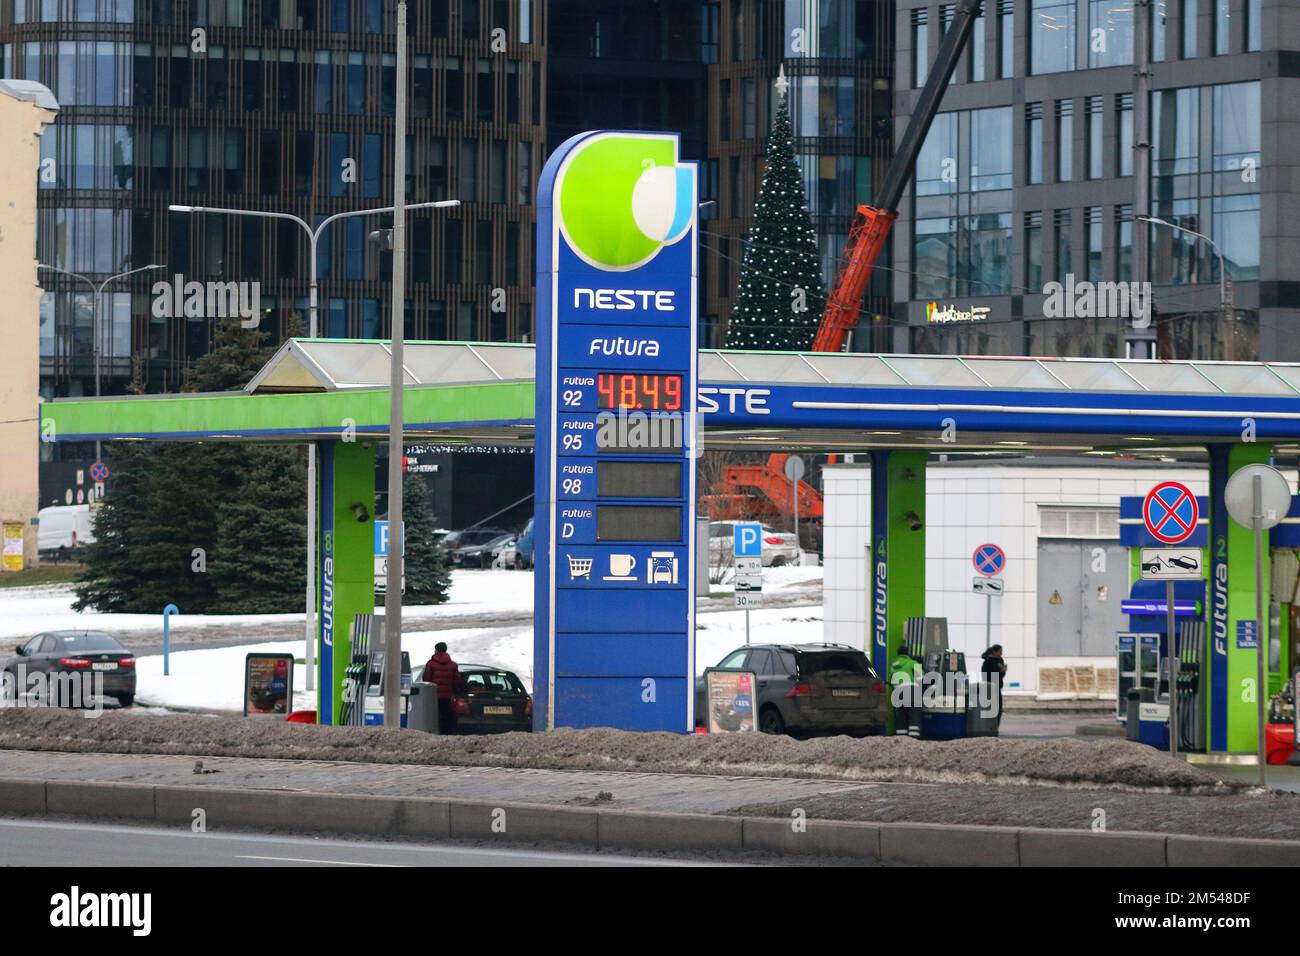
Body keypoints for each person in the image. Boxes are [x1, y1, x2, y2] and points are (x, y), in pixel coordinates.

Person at [421, 642, 460, 733]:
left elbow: (426, 679)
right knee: (446, 715)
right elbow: (456, 681)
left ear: (436, 651)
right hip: (448, 696)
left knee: (434, 715)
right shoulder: (453, 665)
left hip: (434, 696)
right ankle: (446, 733)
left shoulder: (431, 664)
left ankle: (435, 732)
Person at [889, 642, 923, 738]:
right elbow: (921, 678)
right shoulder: (913, 663)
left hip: (897, 692)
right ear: (908, 654)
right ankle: (913, 738)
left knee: (901, 715)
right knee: (914, 714)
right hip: (912, 691)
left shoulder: (892, 666)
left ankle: (901, 738)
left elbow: (891, 680)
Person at [980, 644, 1008, 733]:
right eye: (999, 652)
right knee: (992, 709)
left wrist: (1003, 671)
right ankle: (989, 728)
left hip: (998, 686)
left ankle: (995, 727)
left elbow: (1000, 676)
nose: (1001, 654)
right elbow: (987, 675)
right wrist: (999, 670)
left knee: (999, 709)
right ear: (994, 652)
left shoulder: (1000, 660)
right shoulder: (988, 661)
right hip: (990, 687)